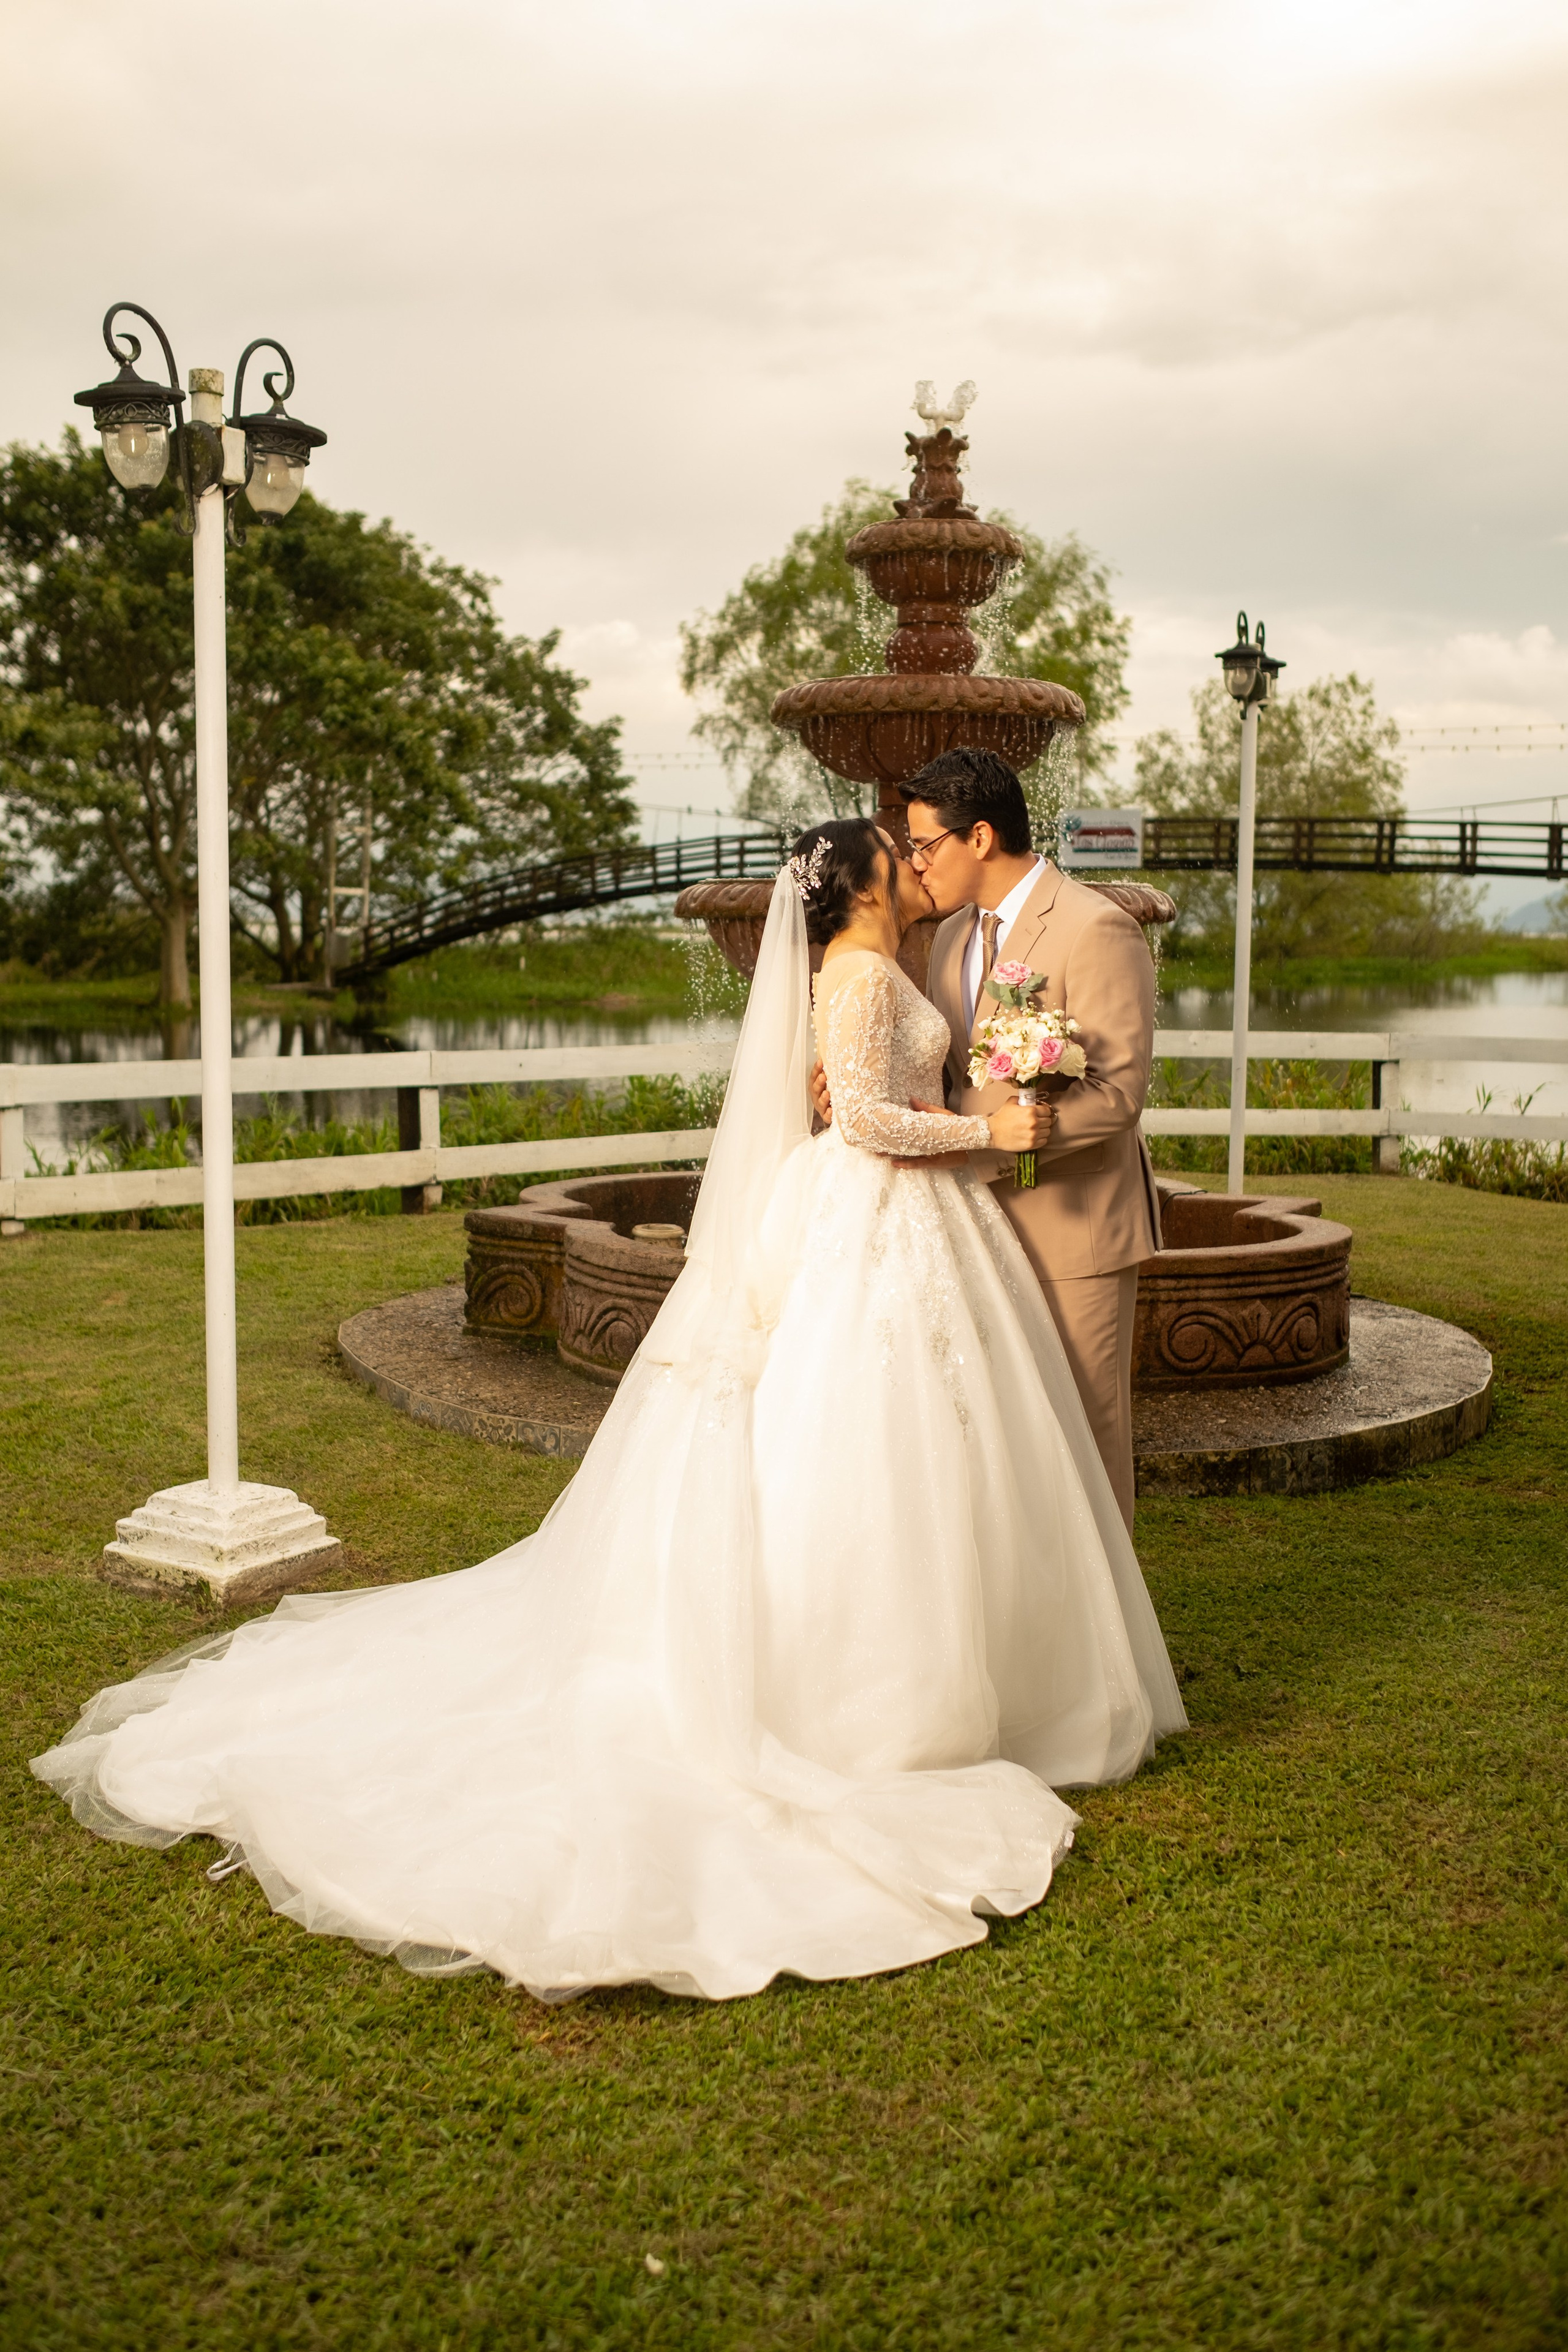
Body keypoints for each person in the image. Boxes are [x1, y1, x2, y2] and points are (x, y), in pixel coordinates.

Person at [33, 820, 1184, 2006]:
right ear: (860, 888)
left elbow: (866, 1096)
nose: (910, 860)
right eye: (894, 854)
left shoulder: (883, 970)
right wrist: (989, 1130)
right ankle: (864, 1705)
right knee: (859, 1444)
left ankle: (962, 1679)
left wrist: (972, 1098)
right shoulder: (854, 974)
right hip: (869, 1212)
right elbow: (864, 1123)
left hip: (904, 1220)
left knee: (922, 1443)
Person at [812, 752, 1161, 1532]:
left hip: (1072, 1224)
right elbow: (943, 1072)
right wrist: (851, 1085)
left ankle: (1106, 1616)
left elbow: (1117, 1094)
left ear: (979, 837)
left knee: (1085, 1438)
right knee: (1008, 1447)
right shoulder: (948, 939)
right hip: (967, 1227)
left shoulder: (1096, 927)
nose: (915, 863)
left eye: (924, 845)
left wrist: (984, 1142)